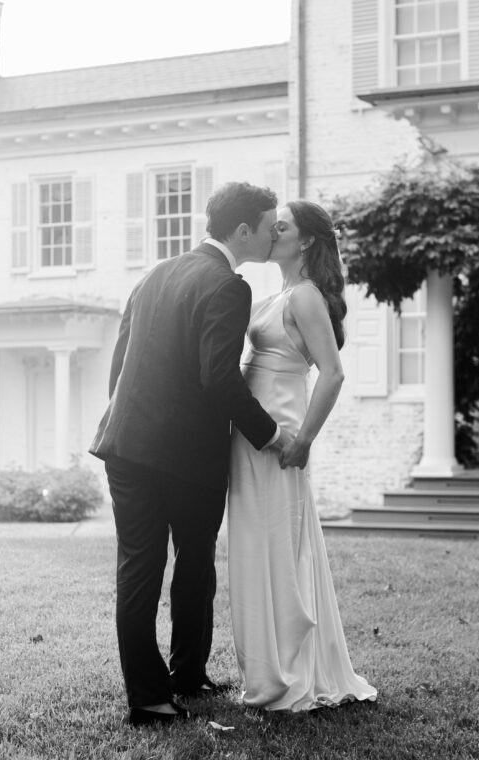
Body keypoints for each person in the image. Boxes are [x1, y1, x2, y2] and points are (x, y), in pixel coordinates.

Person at [89, 181, 296, 727]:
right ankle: (158, 695)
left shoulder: (155, 272)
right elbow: (218, 380)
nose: (276, 232)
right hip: (184, 456)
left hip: (125, 445)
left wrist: (125, 420)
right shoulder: (229, 286)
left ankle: (179, 679)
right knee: (192, 564)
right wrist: (271, 434)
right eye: (270, 224)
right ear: (243, 230)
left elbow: (120, 361)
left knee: (145, 568)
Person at [228, 200, 378, 711]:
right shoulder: (279, 294)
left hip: (281, 441)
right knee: (257, 545)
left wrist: (304, 441)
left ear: (307, 240)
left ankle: (289, 672)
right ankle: (268, 667)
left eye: (283, 227)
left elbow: (332, 374)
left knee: (279, 550)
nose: (273, 232)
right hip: (254, 437)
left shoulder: (308, 297)